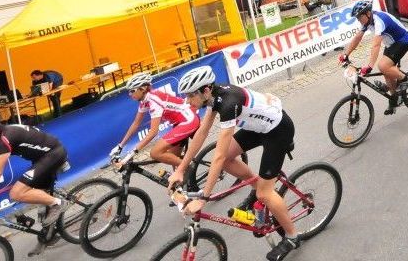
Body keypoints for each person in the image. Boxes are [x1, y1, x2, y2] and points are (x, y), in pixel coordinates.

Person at [169, 67, 299, 261]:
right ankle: (258, 188)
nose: (187, 100)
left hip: (278, 130)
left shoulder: (229, 103)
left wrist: (204, 198)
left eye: (190, 95)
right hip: (258, 127)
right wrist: (180, 170)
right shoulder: (213, 96)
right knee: (230, 159)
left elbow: (218, 156)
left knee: (265, 192)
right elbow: (201, 133)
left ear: (205, 91)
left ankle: (291, 237)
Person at [0, 113, 70, 226]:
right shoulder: (0, 136)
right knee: (42, 205)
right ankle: (51, 228)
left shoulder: (5, 138)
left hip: (53, 155)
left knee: (16, 193)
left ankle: (58, 203)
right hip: (43, 157)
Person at [109, 73, 201, 168]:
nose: (130, 94)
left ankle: (189, 167)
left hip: (188, 120)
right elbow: (136, 124)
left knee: (155, 153)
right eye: (129, 92)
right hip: (179, 122)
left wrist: (131, 153)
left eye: (132, 91)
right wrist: (120, 146)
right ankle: (183, 177)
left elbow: (153, 132)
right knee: (172, 158)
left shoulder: (153, 101)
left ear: (143, 89)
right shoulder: (145, 100)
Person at [339, 0, 408, 115]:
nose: (358, 20)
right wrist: (346, 55)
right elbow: (358, 37)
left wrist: (369, 66)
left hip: (403, 40)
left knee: (383, 66)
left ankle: (404, 80)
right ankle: (395, 99)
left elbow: (376, 44)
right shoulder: (367, 22)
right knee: (387, 72)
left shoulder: (379, 20)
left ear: (368, 13)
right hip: (391, 43)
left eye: (359, 17)